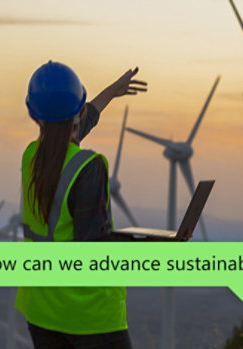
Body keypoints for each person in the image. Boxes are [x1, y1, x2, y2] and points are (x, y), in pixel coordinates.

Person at [15, 61, 153, 349]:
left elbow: (71, 125)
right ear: (78, 114)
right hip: (90, 314)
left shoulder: (32, 157)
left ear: (34, 114)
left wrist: (111, 92)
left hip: (41, 309)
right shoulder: (87, 167)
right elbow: (95, 250)